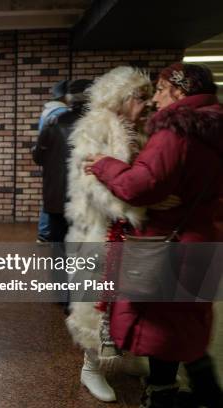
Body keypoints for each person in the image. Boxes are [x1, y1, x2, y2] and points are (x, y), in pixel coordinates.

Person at [84, 63, 223, 408]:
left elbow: (139, 185)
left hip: (169, 243)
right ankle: (204, 389)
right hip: (204, 236)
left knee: (164, 324)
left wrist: (104, 163)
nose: (155, 100)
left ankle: (164, 394)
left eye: (160, 90)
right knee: (187, 319)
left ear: (179, 90)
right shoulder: (216, 125)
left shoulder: (175, 129)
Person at [64, 66, 153, 402]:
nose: (146, 105)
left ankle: (126, 352)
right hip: (101, 229)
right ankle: (91, 368)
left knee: (131, 296)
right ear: (120, 98)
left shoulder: (141, 130)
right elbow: (89, 182)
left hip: (132, 232)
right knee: (97, 300)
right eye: (139, 98)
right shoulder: (95, 127)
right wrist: (135, 205)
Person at [32, 79, 91, 242]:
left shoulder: (52, 123)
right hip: (86, 199)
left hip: (56, 197)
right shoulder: (98, 125)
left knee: (58, 247)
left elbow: (38, 157)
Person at [34, 79, 70, 242]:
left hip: (50, 161)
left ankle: (43, 233)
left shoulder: (47, 112)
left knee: (50, 197)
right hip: (60, 162)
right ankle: (45, 233)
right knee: (55, 200)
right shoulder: (60, 114)